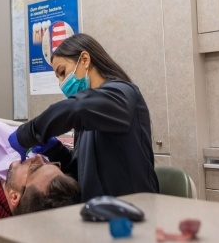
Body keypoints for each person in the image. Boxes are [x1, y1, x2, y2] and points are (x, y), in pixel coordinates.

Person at [9, 33, 159, 202]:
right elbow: (80, 172)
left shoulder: (123, 94)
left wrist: (27, 133)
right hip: (97, 214)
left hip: (132, 214)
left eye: (62, 72)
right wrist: (53, 149)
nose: (61, 84)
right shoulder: (88, 116)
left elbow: (76, 108)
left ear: (85, 59)